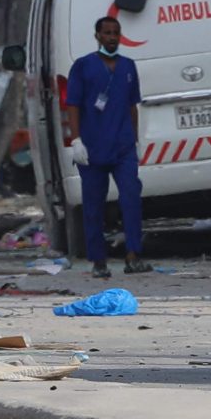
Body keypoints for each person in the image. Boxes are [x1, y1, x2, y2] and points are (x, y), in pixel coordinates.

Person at [62, 14, 144, 280]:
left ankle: (133, 255)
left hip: (122, 147)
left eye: (115, 33)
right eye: (106, 33)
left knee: (131, 197)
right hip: (93, 147)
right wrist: (76, 140)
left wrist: (135, 139)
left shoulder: (129, 67)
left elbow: (133, 105)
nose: (111, 38)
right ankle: (99, 260)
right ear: (97, 36)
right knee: (93, 205)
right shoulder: (83, 66)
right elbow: (72, 103)